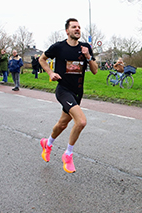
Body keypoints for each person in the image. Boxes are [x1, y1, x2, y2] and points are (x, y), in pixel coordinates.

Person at [38, 18, 98, 173]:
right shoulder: (59, 47)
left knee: (62, 124)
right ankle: (68, 155)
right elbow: (41, 59)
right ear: (67, 31)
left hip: (78, 92)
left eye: (79, 27)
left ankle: (48, 143)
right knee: (81, 122)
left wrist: (88, 57)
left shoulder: (85, 48)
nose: (77, 29)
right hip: (64, 90)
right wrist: (50, 73)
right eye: (73, 27)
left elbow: (95, 70)